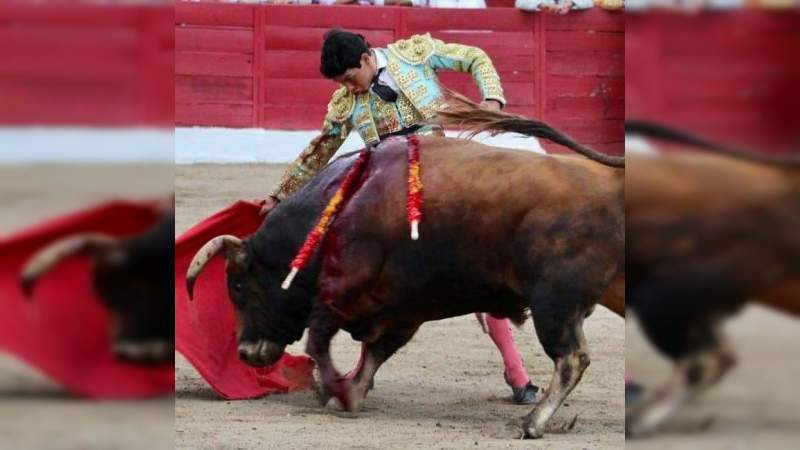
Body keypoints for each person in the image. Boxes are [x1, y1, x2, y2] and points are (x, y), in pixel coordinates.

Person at [260, 29, 539, 404]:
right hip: (388, 190)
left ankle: (516, 371)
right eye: (341, 84)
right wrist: (279, 194)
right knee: (372, 273)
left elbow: (474, 56)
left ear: (365, 59)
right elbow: (318, 151)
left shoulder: (414, 54)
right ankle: (364, 371)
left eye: (350, 78)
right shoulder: (344, 102)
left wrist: (491, 98)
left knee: (481, 263)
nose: (348, 89)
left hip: (442, 174)